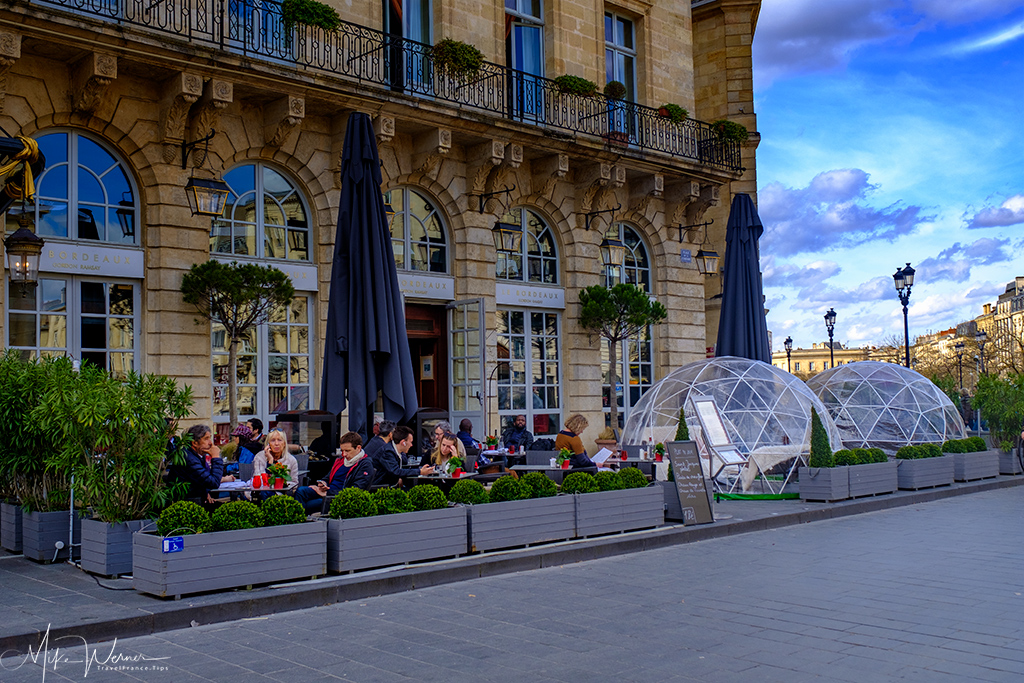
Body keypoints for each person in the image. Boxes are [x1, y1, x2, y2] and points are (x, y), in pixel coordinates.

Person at [293, 432, 375, 514]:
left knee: (307, 504)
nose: (344, 454)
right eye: (342, 450)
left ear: (358, 448)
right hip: (328, 491)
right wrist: (323, 483)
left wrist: (327, 493)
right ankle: (299, 520)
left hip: (338, 498)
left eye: (347, 451)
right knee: (301, 491)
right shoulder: (340, 460)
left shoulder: (365, 465)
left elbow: (355, 490)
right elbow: (328, 477)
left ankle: (299, 521)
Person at [169, 424, 234, 504]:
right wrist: (216, 457)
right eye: (206, 439)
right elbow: (213, 483)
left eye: (210, 438)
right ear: (195, 443)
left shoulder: (196, 455)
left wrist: (205, 492)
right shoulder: (189, 459)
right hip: (188, 503)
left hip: (197, 499)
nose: (210, 443)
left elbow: (204, 477)